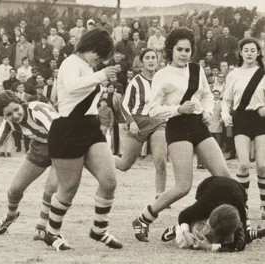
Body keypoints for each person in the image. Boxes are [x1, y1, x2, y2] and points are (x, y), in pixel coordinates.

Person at [133, 27, 231, 242]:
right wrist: (178, 109)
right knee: (183, 186)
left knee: (225, 178)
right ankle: (143, 218)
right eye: (180, 49)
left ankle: (192, 224)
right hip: (177, 127)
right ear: (171, 50)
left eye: (188, 49)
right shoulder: (162, 75)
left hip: (198, 126)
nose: (184, 54)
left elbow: (206, 94)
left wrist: (205, 111)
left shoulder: (197, 69)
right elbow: (152, 110)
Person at [44, 28, 122, 251]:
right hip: (68, 128)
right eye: (99, 52)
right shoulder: (71, 62)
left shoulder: (88, 67)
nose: (100, 58)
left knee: (109, 181)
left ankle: (99, 229)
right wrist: (101, 76)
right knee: (69, 188)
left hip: (90, 126)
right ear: (90, 45)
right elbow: (70, 87)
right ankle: (52, 232)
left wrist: (103, 79)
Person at [0, 91, 59, 240]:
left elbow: (58, 132)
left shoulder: (37, 110)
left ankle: (41, 226)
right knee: (14, 189)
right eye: (8, 114)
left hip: (61, 146)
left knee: (51, 188)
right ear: (3, 116)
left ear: (21, 103)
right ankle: (10, 217)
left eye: (16, 109)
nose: (14, 116)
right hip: (39, 148)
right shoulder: (9, 123)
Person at [222, 37, 265, 219]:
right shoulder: (233, 74)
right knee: (243, 164)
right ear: (240, 53)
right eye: (246, 50)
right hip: (240, 118)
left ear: (258, 52)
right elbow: (227, 99)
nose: (249, 53)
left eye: (252, 50)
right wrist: (225, 114)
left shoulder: (263, 73)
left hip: (260, 119)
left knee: (263, 166)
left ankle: (264, 206)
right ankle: (242, 204)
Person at [115, 48, 168, 199]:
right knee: (124, 164)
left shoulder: (163, 80)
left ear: (157, 61)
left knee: (161, 160)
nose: (151, 61)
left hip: (158, 122)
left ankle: (160, 196)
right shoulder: (136, 81)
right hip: (138, 122)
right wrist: (131, 122)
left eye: (154, 58)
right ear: (142, 62)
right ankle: (100, 157)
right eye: (148, 58)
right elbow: (124, 105)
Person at [162, 176, 265, 252]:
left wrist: (210, 247)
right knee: (197, 228)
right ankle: (177, 230)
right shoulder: (205, 205)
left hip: (238, 191)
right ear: (208, 216)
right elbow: (183, 215)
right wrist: (186, 232)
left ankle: (250, 231)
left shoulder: (238, 212)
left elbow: (239, 245)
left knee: (244, 237)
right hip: (208, 185)